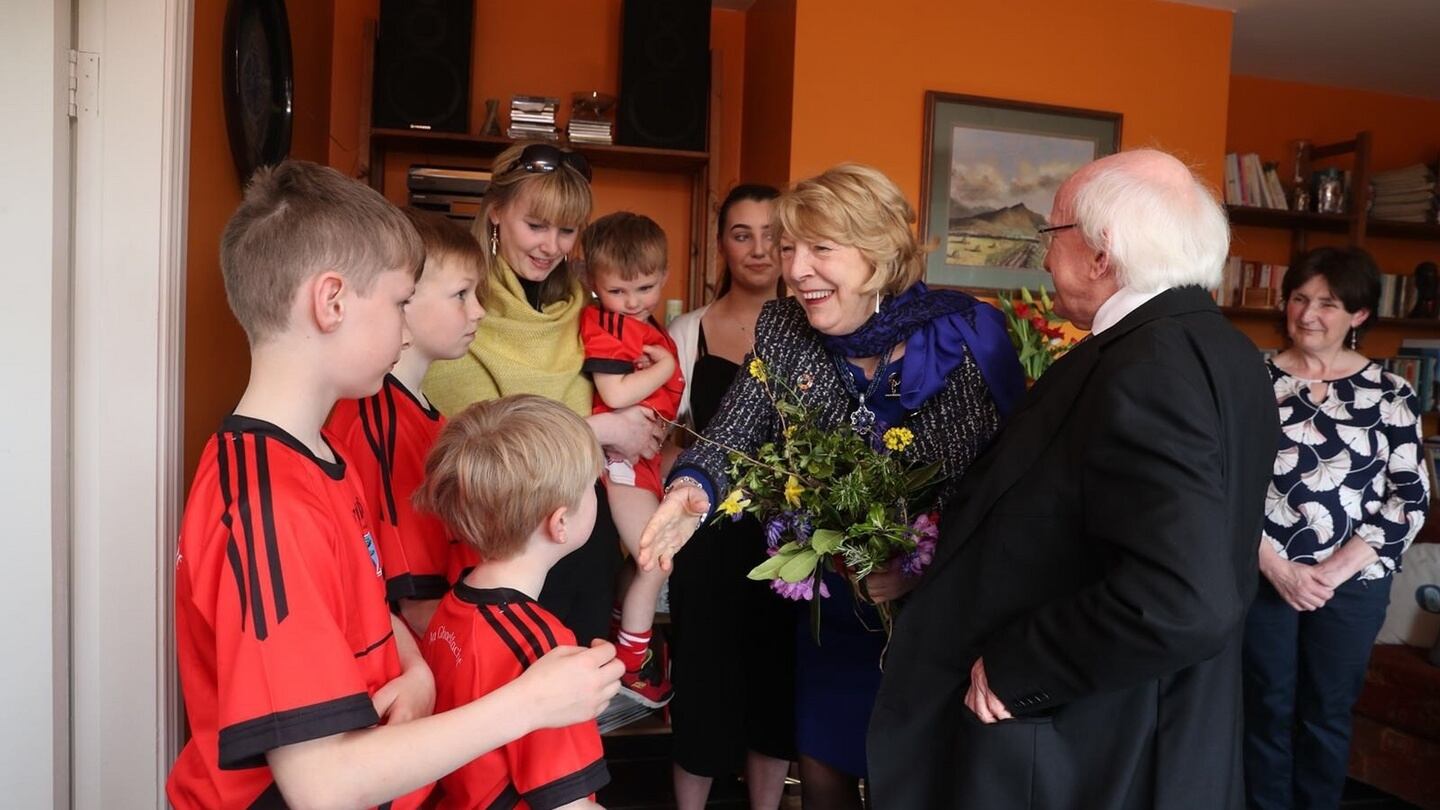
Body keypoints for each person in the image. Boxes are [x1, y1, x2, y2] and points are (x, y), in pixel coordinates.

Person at [167, 161, 622, 810]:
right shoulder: (267, 506)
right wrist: (530, 703)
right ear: (331, 303)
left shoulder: (322, 453)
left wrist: (412, 669)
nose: (407, 326)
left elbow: (363, 601)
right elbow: (320, 785)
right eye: (401, 301)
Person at [862, 149, 1281, 809]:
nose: (1042, 258)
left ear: (1101, 254)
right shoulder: (1217, 347)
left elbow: (1181, 598)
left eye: (1049, 236)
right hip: (1134, 733)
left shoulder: (1149, 364)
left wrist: (1020, 666)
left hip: (1086, 748)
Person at [642, 164, 1025, 808]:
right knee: (821, 767)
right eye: (790, 248)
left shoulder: (965, 333)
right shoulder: (787, 329)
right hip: (835, 604)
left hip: (940, 611)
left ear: (878, 254)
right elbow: (739, 426)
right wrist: (692, 491)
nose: (795, 268)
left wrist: (917, 569)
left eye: (820, 249)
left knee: (915, 776)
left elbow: (1003, 485)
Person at [423, 142, 665, 645]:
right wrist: (602, 429)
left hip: (587, 543)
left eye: (566, 230)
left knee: (580, 715)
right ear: (495, 214)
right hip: (501, 551)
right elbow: (475, 443)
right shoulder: (460, 310)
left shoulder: (585, 308)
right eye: (536, 225)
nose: (551, 246)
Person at [1244, 246, 1429, 810]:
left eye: (1327, 302)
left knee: (1325, 712)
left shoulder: (1392, 393)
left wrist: (1332, 570)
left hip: (1352, 585)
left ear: (1359, 315)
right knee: (1264, 708)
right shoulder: (1252, 381)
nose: (1307, 314)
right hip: (1263, 576)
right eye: (1299, 298)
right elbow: (1221, 488)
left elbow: (1410, 498)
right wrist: (1278, 568)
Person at [665, 184, 797, 810]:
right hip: (708, 541)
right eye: (742, 234)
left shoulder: (809, 331)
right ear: (721, 245)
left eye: (772, 233)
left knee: (775, 682)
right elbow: (660, 438)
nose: (759, 248)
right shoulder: (686, 331)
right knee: (704, 678)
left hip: (790, 544)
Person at [417, 395, 613, 810]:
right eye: (593, 486)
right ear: (560, 524)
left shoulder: (454, 605)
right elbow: (569, 804)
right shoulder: (546, 649)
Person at [327, 208, 486, 637]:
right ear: (405, 300)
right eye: (461, 295)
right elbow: (414, 603)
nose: (479, 312)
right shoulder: (379, 420)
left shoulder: (423, 413)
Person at [578, 211, 686, 707]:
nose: (633, 302)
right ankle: (634, 662)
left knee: (645, 557)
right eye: (618, 291)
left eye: (644, 288)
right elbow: (614, 392)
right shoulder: (605, 324)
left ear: (664, 276)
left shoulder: (637, 321)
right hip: (618, 458)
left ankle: (625, 630)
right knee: (655, 555)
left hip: (642, 457)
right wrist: (664, 365)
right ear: (592, 282)